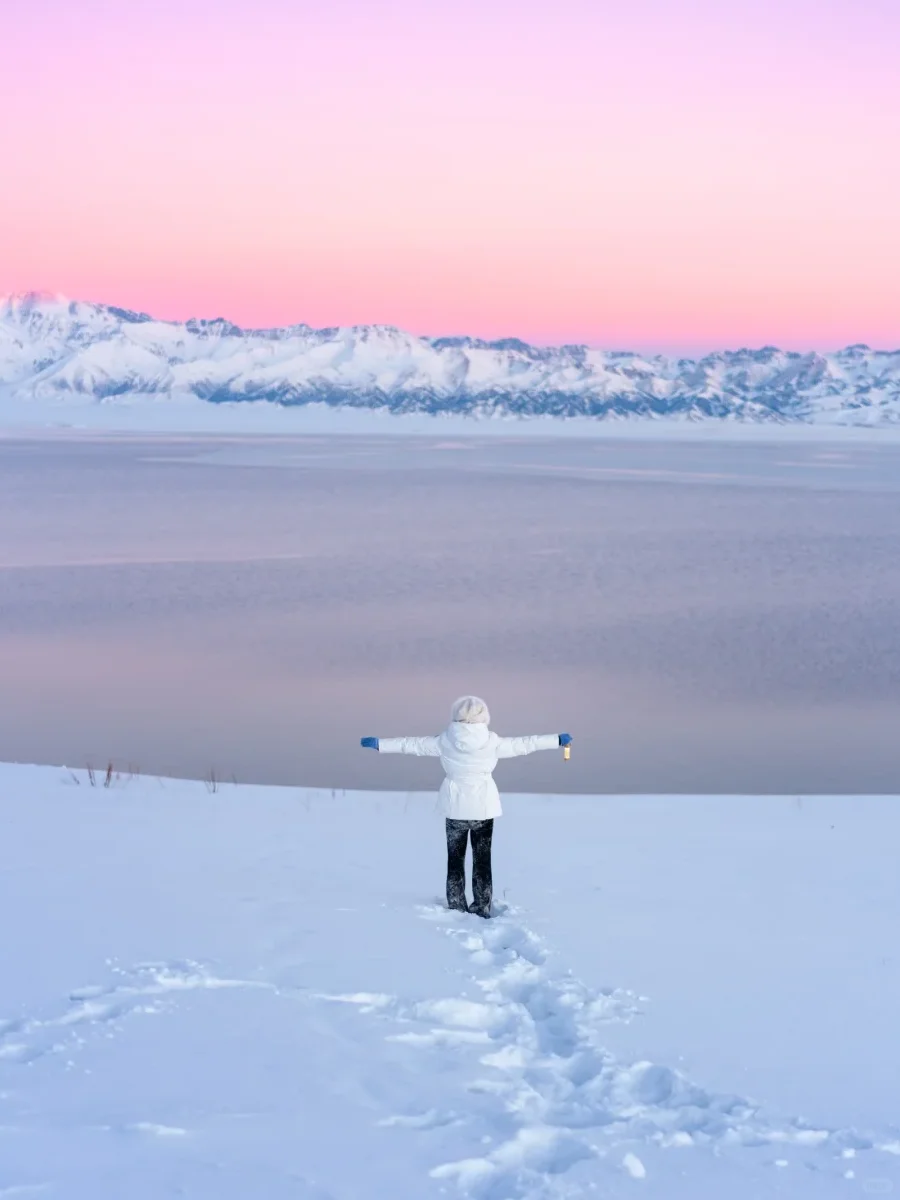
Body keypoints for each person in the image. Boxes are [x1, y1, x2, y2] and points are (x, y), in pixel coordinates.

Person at [360, 696, 572, 918]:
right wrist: (557, 740)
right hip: (483, 809)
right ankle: (481, 907)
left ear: (456, 716)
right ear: (483, 717)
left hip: (455, 808)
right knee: (482, 860)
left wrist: (380, 745)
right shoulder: (492, 741)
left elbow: (412, 744)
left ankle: (456, 905)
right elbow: (526, 744)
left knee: (455, 858)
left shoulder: (444, 741)